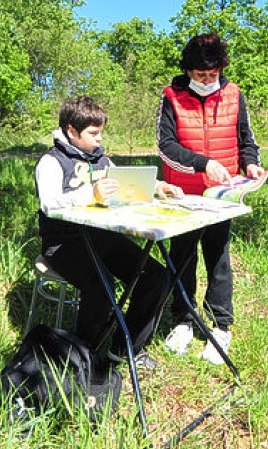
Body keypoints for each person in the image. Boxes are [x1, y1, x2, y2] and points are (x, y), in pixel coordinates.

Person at [35, 96, 181, 370]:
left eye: (101, 132)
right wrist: (90, 194)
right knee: (102, 288)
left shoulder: (102, 160)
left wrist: (156, 187)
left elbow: (127, 184)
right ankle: (82, 359)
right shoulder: (51, 162)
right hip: (64, 243)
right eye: (93, 133)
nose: (99, 139)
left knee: (157, 277)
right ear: (71, 131)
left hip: (103, 237)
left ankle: (127, 350)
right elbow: (49, 203)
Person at [157, 33, 266, 364]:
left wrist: (251, 164)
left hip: (222, 194)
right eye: (201, 75)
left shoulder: (234, 94)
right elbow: (166, 146)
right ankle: (184, 321)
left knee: (218, 258)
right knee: (182, 257)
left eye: (213, 75)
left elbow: (247, 139)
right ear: (188, 70)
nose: (208, 81)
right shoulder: (171, 96)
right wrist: (203, 163)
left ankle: (221, 326)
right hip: (182, 194)